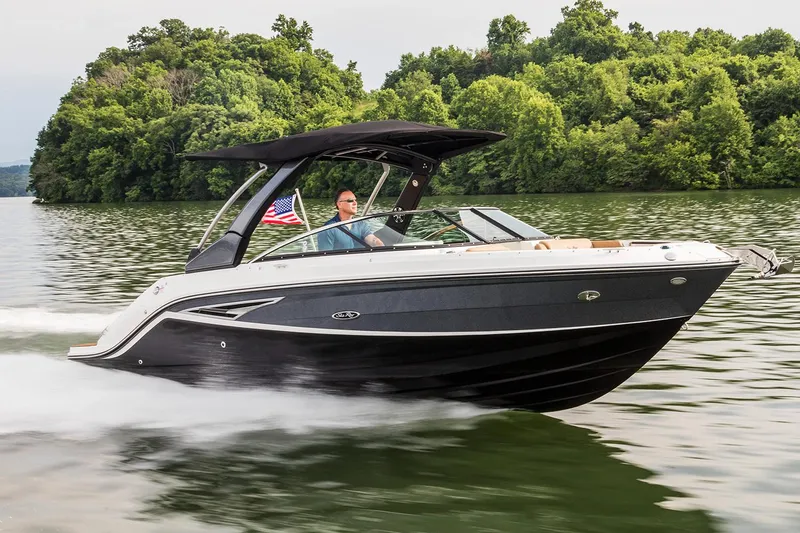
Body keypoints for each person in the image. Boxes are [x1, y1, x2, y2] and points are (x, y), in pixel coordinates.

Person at [317, 188, 384, 251]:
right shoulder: (328, 229)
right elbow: (325, 258)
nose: (355, 203)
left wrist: (382, 248)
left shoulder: (361, 225)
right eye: (350, 201)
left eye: (355, 200)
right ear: (339, 204)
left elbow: (372, 240)